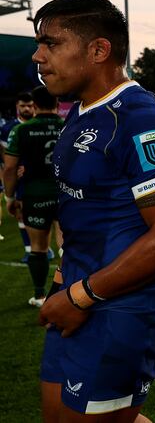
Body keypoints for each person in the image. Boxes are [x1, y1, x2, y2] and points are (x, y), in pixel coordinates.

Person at [33, 0, 155, 423]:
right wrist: (64, 280)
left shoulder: (142, 121)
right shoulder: (81, 113)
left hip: (124, 306)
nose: (38, 55)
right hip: (79, 291)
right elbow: (81, 209)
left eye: (51, 43)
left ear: (99, 50)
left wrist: (82, 296)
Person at [3, 85, 64, 307]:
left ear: (35, 105)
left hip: (34, 196)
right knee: (67, 246)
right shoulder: (69, 126)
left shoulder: (21, 130)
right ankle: (70, 292)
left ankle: (39, 296)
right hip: (67, 195)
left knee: (37, 248)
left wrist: (9, 197)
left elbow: (9, 168)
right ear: (57, 103)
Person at [0, 91, 35, 251]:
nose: (26, 109)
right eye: (23, 106)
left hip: (39, 175)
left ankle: (44, 248)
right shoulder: (8, 128)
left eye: (29, 105)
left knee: (53, 215)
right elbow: (3, 152)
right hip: (18, 177)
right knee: (20, 212)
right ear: (17, 107)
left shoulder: (39, 124)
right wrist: (11, 167)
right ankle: (29, 249)